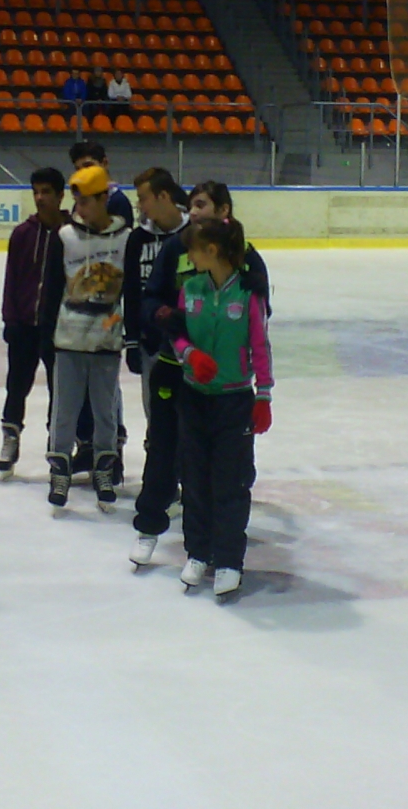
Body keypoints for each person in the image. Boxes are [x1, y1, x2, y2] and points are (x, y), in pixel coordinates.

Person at [162, 217, 272, 598]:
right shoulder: (190, 288)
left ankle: (228, 559)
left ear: (211, 250)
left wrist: (264, 395)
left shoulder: (248, 294)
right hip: (193, 398)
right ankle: (198, 550)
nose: (188, 257)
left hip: (234, 401)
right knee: (193, 478)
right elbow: (176, 334)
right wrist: (189, 355)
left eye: (192, 250)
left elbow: (260, 347)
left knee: (230, 481)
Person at [40, 165, 131, 509]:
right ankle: (59, 470)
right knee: (64, 410)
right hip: (68, 340)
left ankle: (104, 469)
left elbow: (130, 294)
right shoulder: (64, 237)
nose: (79, 207)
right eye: (77, 200)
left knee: (106, 411)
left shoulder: (126, 238)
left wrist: (122, 327)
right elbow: (51, 290)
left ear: (104, 198)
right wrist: (46, 335)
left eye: (87, 201)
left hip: (106, 342)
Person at [121, 168, 189, 566]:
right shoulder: (138, 239)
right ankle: (165, 488)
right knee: (157, 421)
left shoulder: (191, 236)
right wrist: (132, 339)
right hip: (152, 346)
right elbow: (132, 291)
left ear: (163, 197)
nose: (140, 206)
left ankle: (185, 483)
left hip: (187, 347)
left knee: (186, 419)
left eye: (144, 198)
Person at [67, 141, 132, 475]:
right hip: (86, 310)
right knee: (87, 382)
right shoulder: (81, 203)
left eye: (91, 164)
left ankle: (111, 448)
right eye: (80, 167)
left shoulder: (116, 202)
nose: (86, 172)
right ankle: (90, 445)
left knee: (106, 383)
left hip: (108, 310)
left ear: (105, 163)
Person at [0, 167, 65, 473]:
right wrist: (10, 318)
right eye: (35, 191)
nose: (39, 198)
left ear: (60, 195)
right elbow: (11, 278)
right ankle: (10, 437)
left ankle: (57, 443)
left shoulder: (70, 234)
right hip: (24, 324)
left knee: (59, 389)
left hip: (57, 327)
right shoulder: (23, 234)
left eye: (46, 192)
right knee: (16, 385)